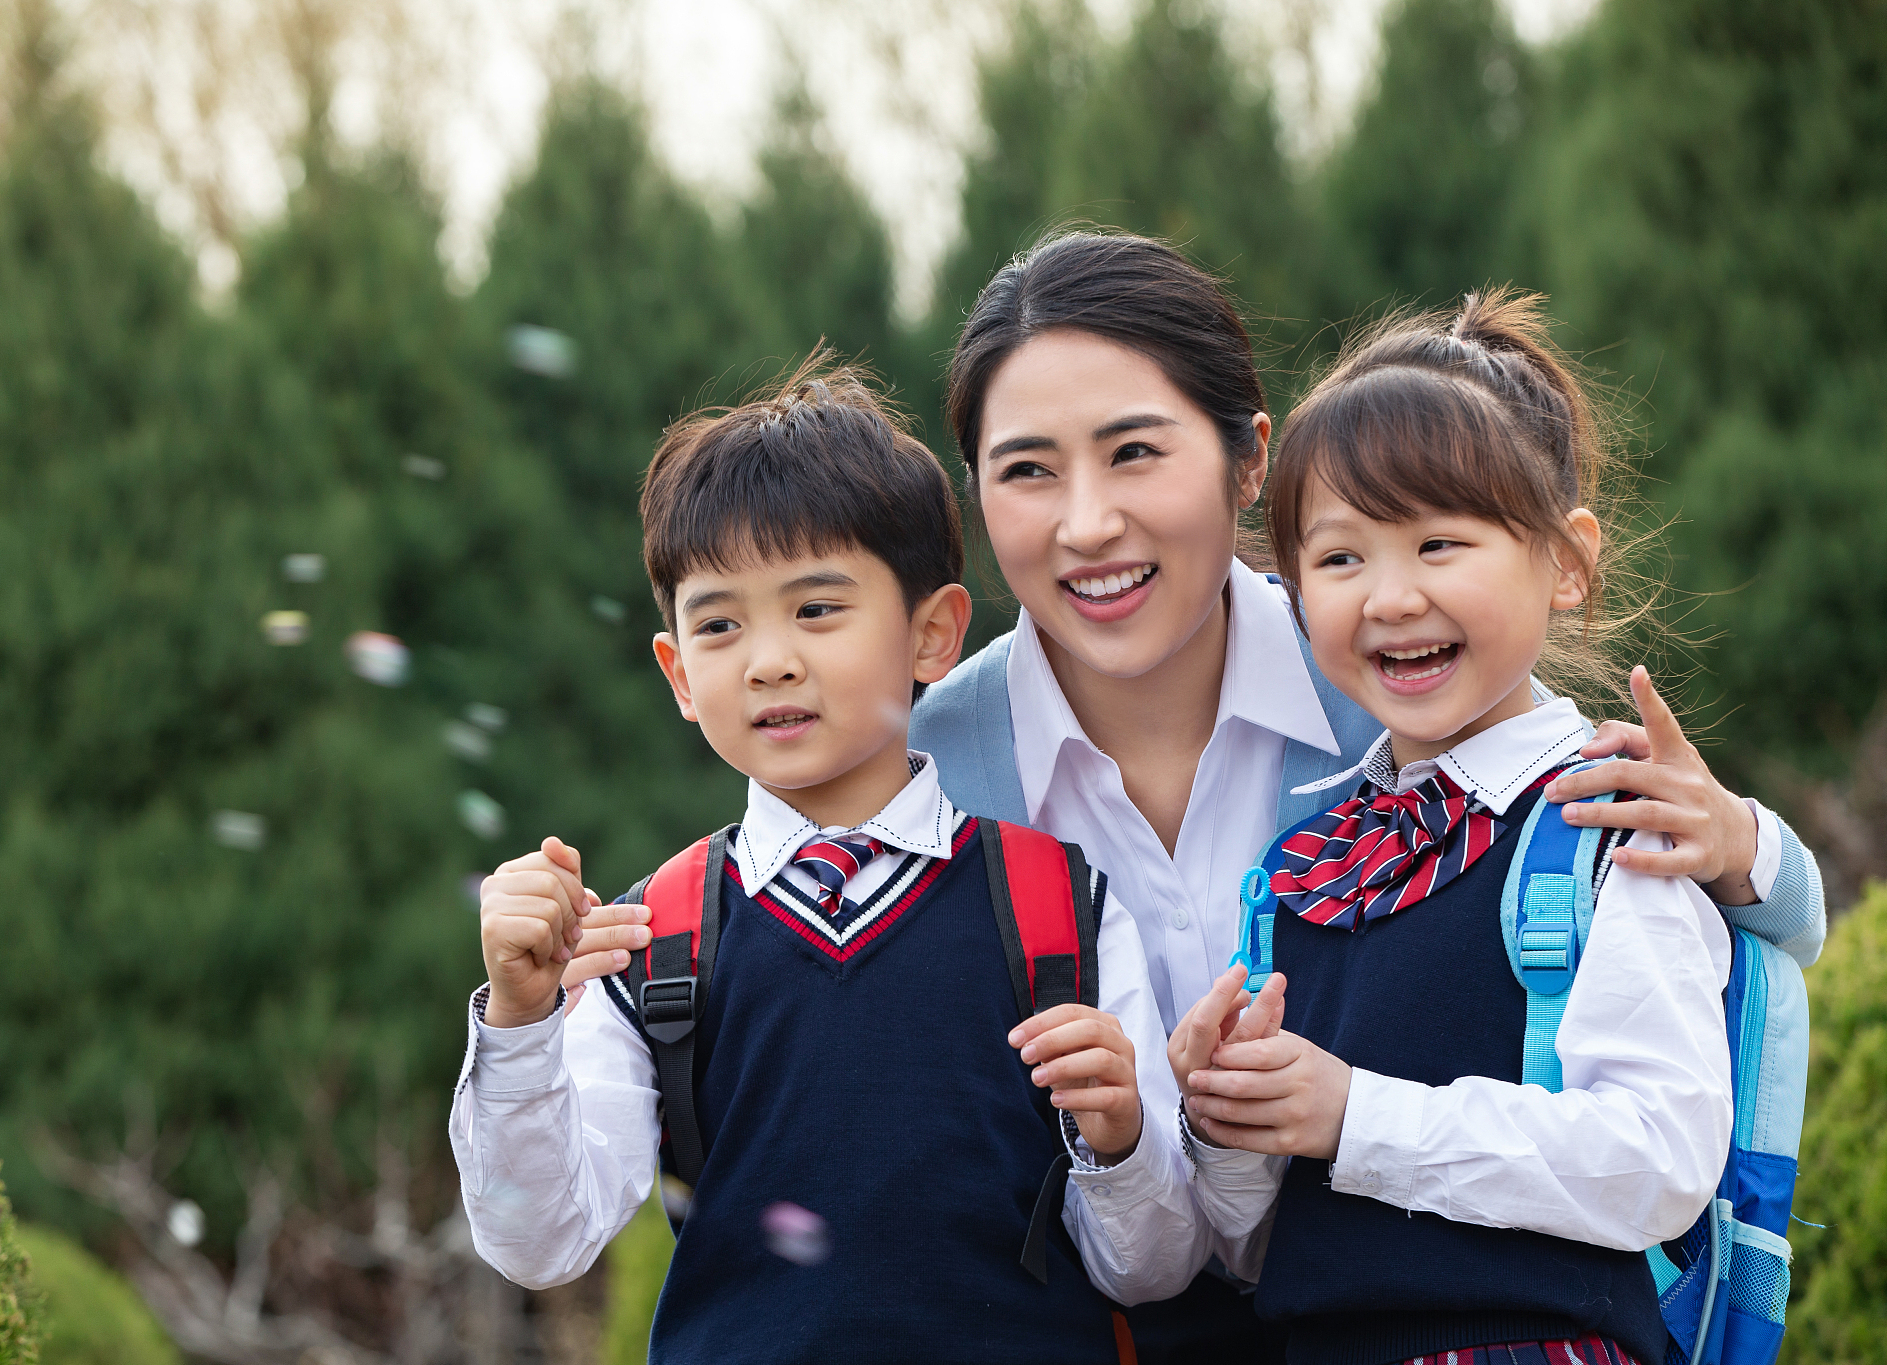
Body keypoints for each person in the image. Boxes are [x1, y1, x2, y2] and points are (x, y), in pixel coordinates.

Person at [899, 231, 1826, 1361]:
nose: (1085, 522)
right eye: (1027, 468)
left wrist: (1738, 842)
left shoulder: (1389, 671)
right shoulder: (936, 755)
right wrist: (1202, 1119)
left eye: (1134, 451)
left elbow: (1727, 912)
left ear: (1248, 464)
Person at [448, 362, 1279, 1365]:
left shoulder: (1055, 903)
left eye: (815, 610)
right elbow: (541, 1240)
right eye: (718, 624)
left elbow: (1147, 1268)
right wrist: (519, 1026)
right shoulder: (653, 938)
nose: (766, 662)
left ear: (930, 635)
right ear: (675, 671)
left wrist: (1118, 1143)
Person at [1172, 288, 1733, 1365]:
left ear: (1564, 564)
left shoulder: (1605, 821)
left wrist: (1351, 1114)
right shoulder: (1304, 866)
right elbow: (1254, 1251)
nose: (1386, 597)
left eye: (1437, 544)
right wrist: (1223, 1117)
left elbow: (1658, 1160)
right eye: (1338, 559)